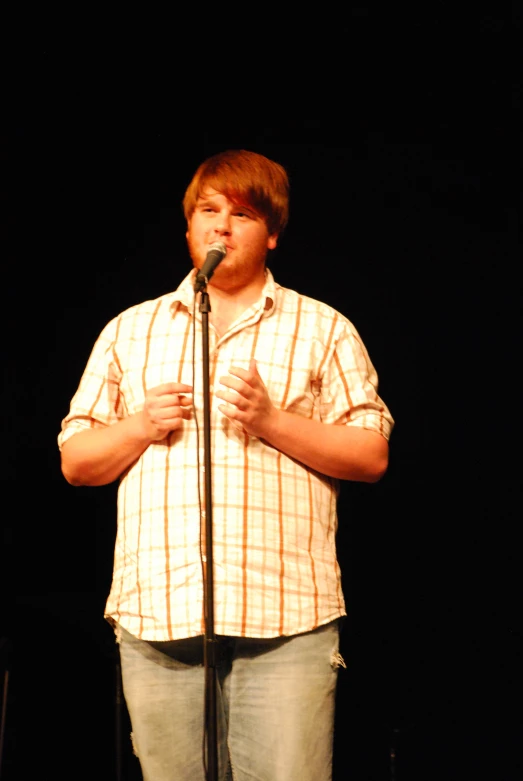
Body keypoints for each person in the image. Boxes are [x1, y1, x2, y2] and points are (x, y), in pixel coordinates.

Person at [58, 148, 394, 781]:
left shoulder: (323, 328)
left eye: (240, 214)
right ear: (188, 229)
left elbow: (371, 454)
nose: (220, 226)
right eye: (206, 211)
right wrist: (139, 426)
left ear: (270, 233)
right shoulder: (131, 330)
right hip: (159, 616)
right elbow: (77, 461)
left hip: (287, 618)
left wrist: (273, 422)